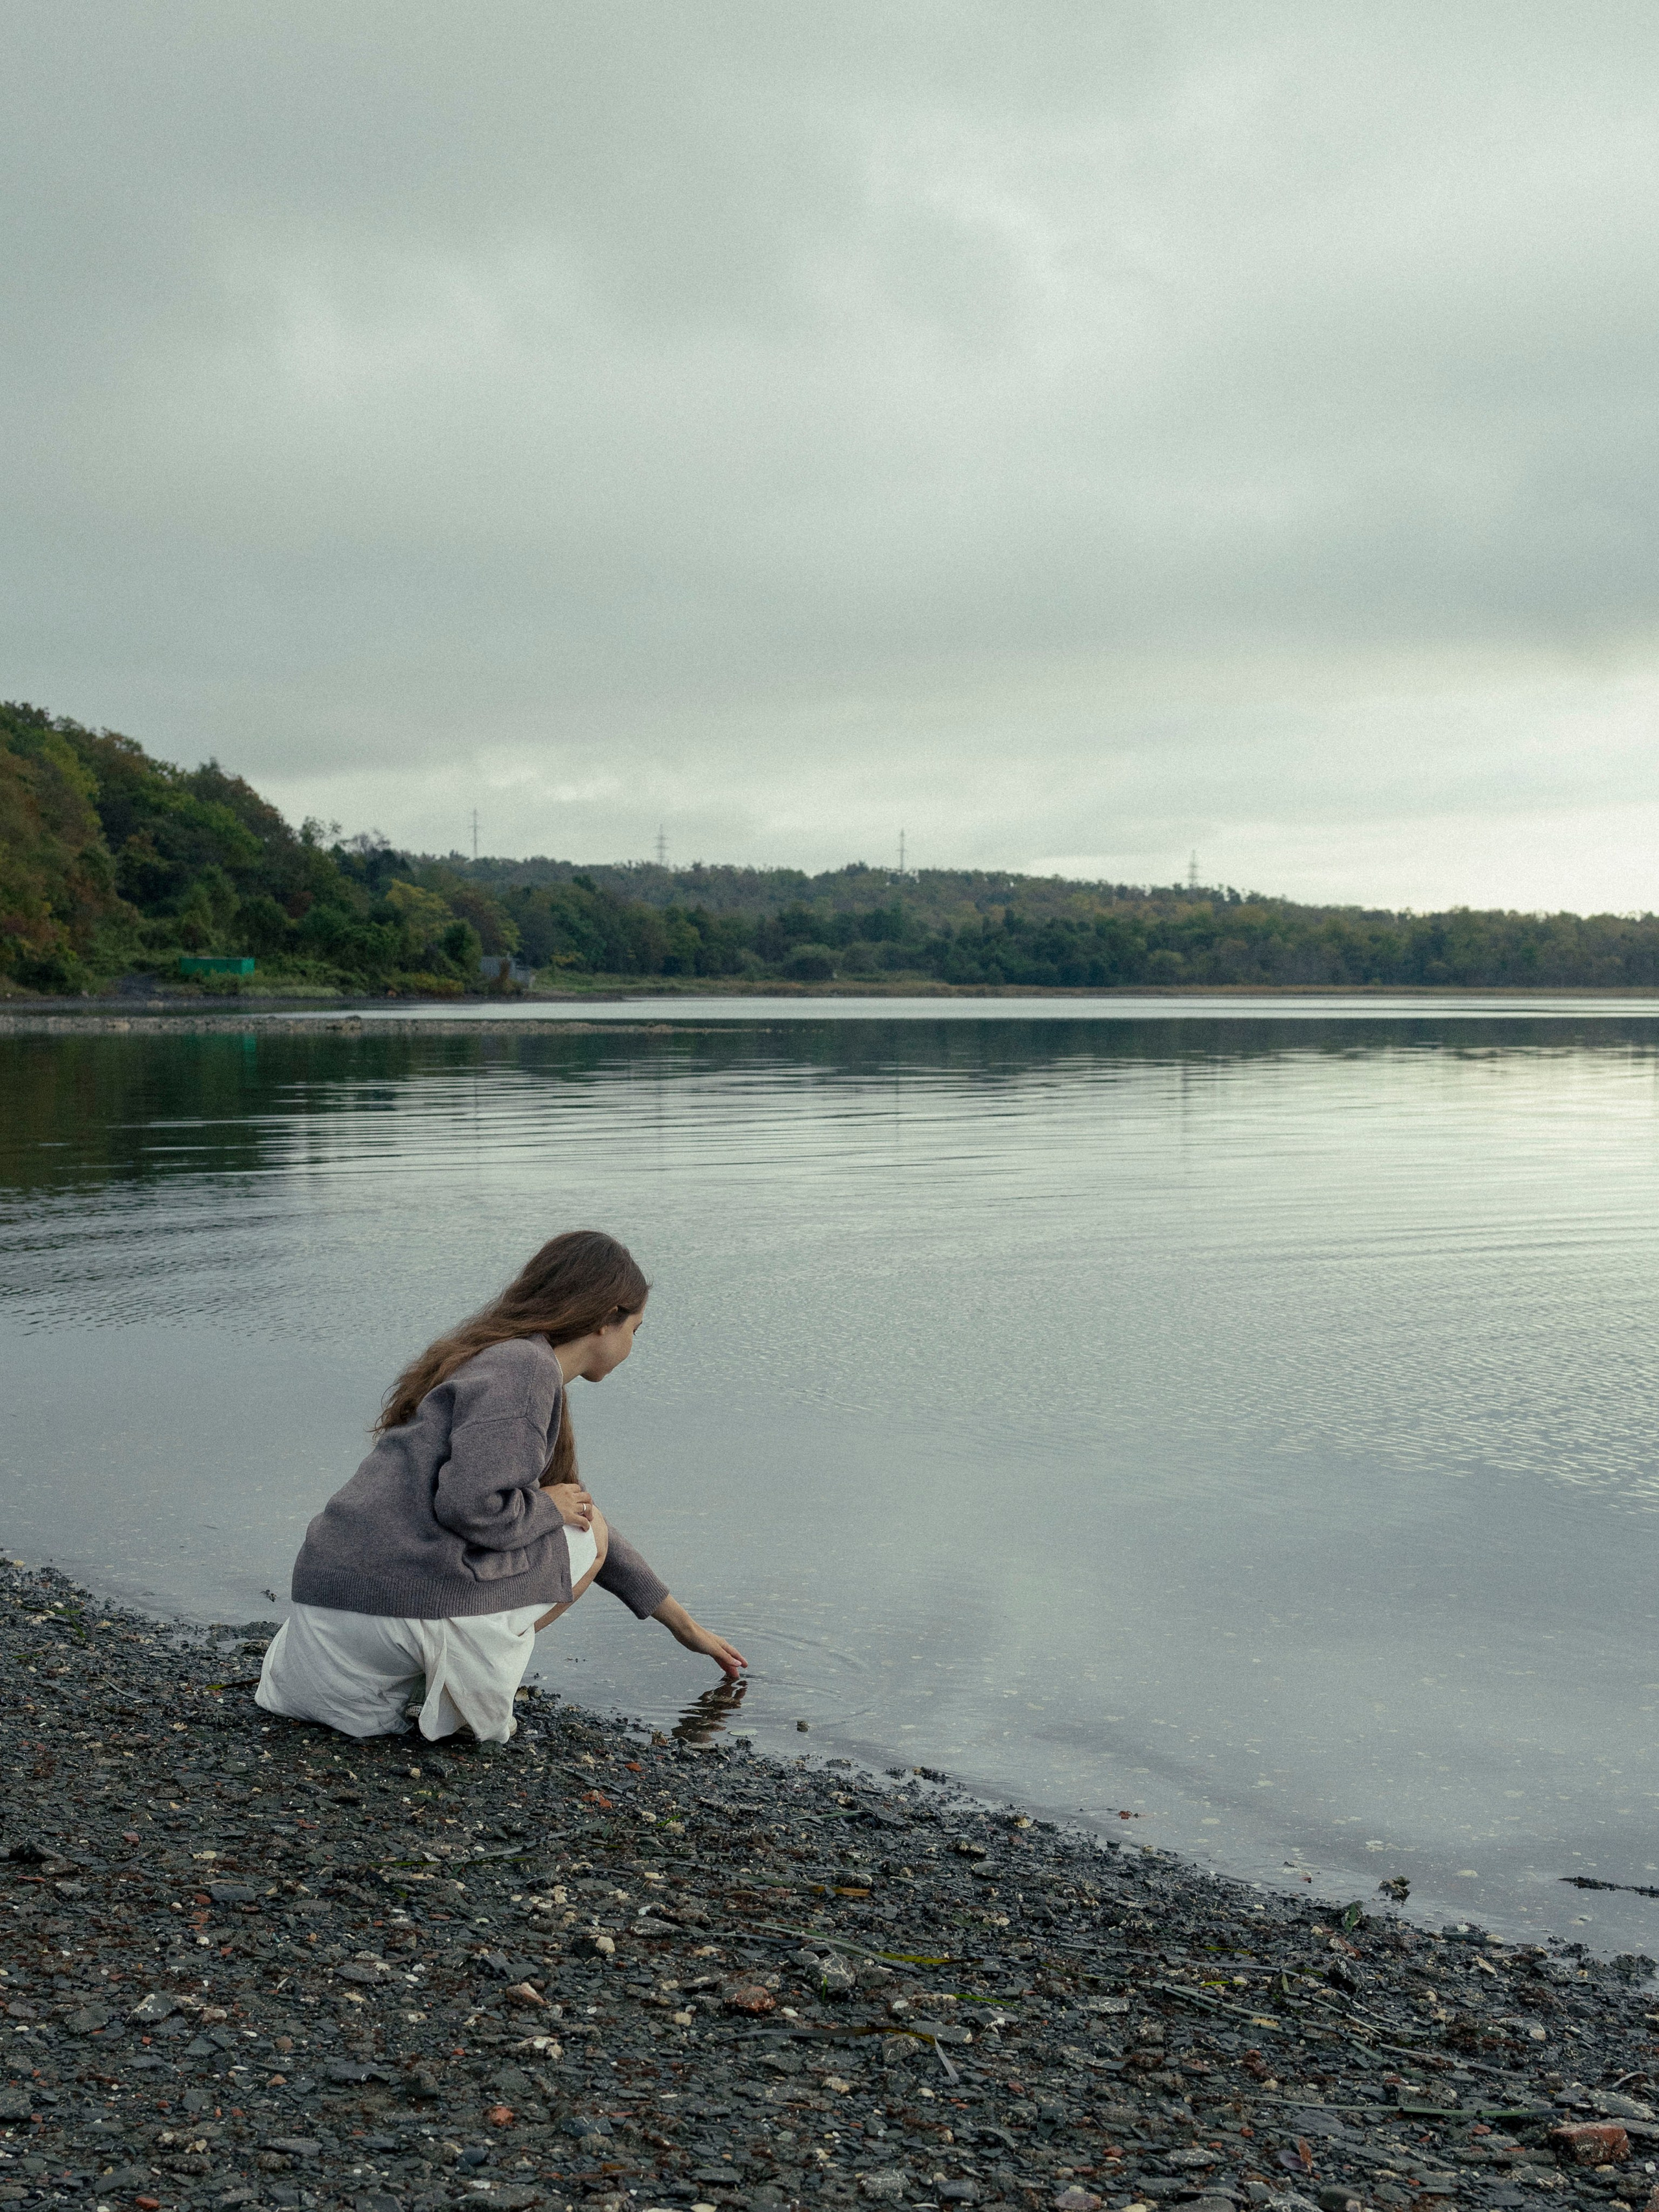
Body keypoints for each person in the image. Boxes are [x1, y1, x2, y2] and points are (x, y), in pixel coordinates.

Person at [255, 1229, 744, 1742]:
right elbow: (472, 1506)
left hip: (326, 1601)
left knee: (578, 1518)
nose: (632, 1346)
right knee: (587, 1533)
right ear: (606, 1319)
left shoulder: (494, 1356)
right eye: (636, 1329)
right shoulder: (527, 1369)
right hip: (389, 1614)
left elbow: (557, 1504)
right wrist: (550, 1510)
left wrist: (682, 1625)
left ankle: (415, 1681)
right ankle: (465, 1685)